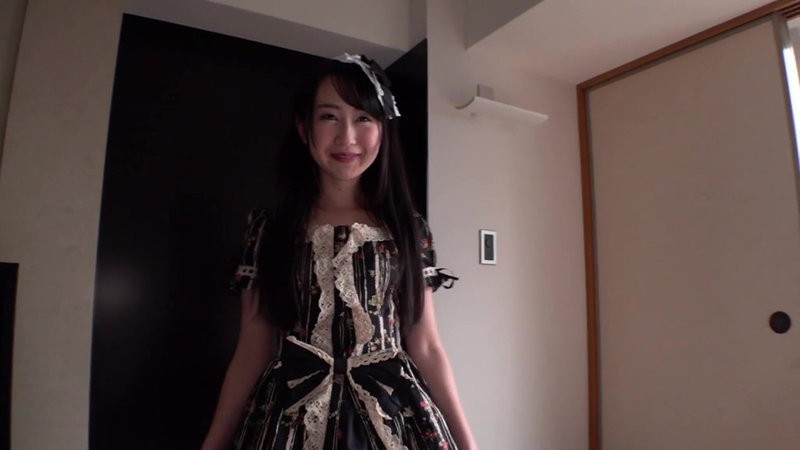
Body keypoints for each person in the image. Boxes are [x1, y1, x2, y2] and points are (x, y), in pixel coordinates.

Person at [201, 53, 476, 450]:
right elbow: (252, 346)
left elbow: (426, 344)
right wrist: (213, 443)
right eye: (330, 116)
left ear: (383, 130)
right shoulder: (268, 228)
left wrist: (468, 444)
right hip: (288, 417)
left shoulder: (409, 229)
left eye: (363, 118)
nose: (347, 137)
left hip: (392, 413)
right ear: (304, 128)